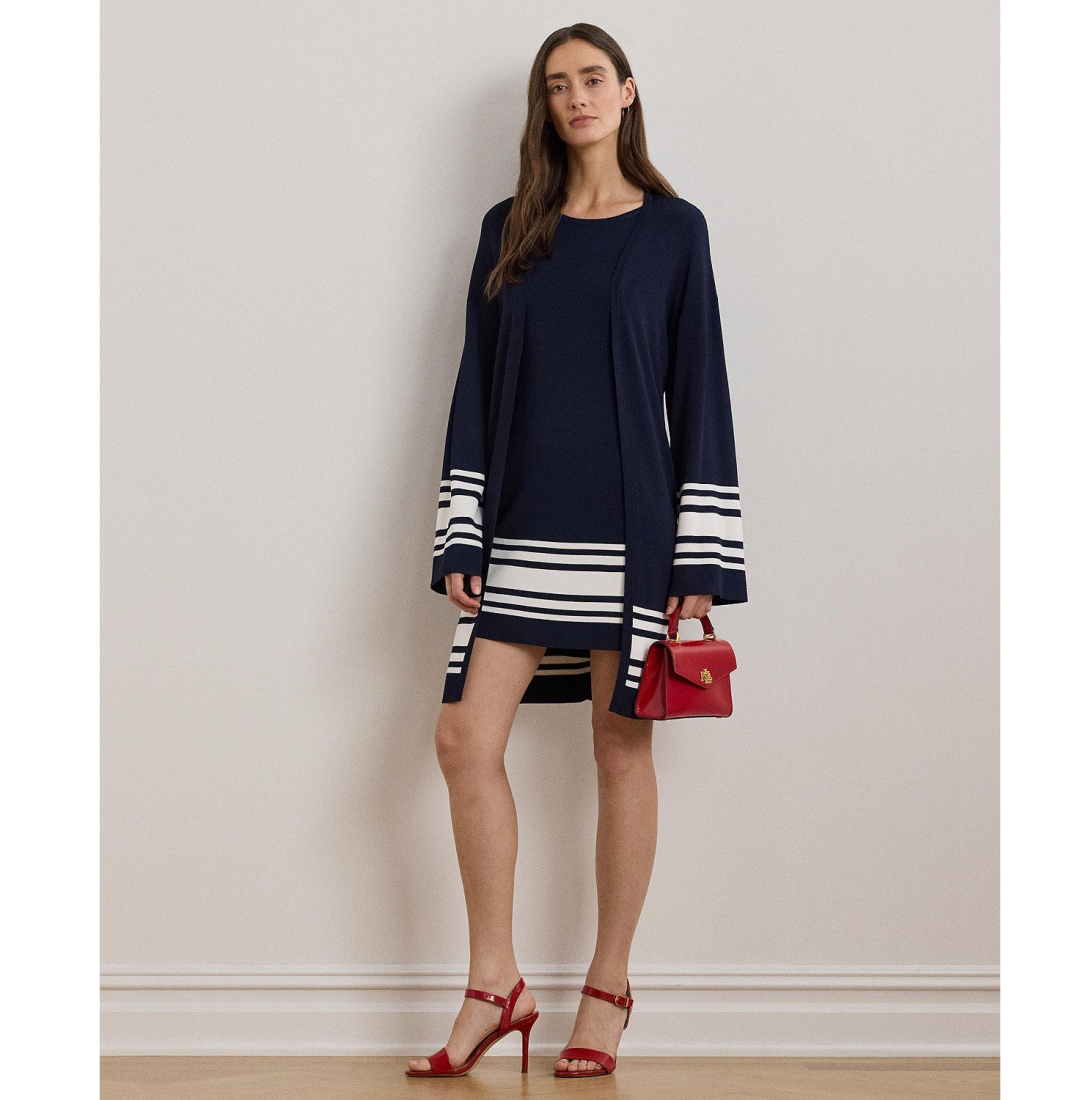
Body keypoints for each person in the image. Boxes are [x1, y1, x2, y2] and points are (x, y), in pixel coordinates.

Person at [408, 22, 747, 1080]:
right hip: (519, 525)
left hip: (631, 533)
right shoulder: (508, 227)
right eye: (557, 85)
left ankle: (607, 986)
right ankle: (494, 984)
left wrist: (699, 564)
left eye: (592, 78)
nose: (576, 97)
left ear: (627, 92)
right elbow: (474, 387)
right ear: (544, 105)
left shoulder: (675, 231)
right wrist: (462, 525)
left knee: (617, 749)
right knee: (464, 738)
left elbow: (700, 396)